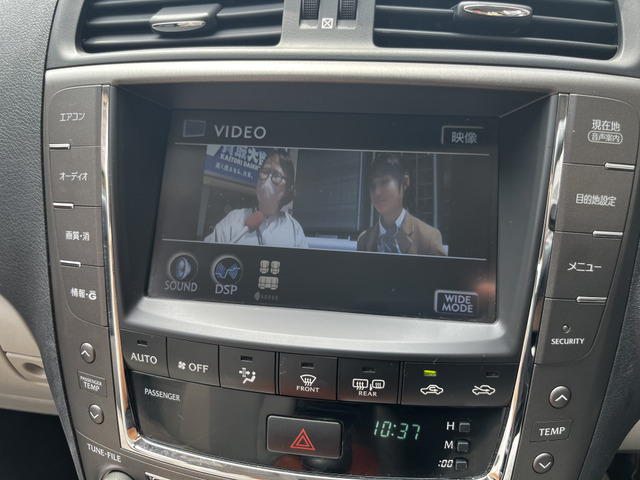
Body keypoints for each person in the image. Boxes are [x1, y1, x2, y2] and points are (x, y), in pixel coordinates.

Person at [205, 149, 309, 248]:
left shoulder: (294, 229)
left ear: (287, 189)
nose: (267, 180)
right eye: (265, 172)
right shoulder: (234, 219)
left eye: (276, 175)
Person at [357, 154, 446, 256]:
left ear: (404, 183)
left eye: (384, 182)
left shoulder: (428, 238)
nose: (377, 192)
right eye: (372, 186)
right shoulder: (363, 240)